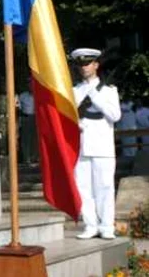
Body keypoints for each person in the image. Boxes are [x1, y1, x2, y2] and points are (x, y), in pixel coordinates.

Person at [70, 48, 121, 240]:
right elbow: (67, 117)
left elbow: (115, 115)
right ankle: (90, 225)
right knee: (84, 188)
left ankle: (107, 226)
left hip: (102, 146)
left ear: (96, 65)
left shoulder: (109, 91)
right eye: (81, 64)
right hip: (81, 146)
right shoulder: (74, 91)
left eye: (88, 63)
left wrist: (96, 98)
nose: (84, 67)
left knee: (105, 187)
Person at [17, 83, 38, 164]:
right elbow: (18, 107)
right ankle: (27, 158)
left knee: (35, 138)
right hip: (26, 117)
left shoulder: (37, 94)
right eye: (29, 85)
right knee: (26, 139)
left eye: (32, 85)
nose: (31, 87)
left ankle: (34, 157)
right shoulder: (22, 96)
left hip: (35, 118)